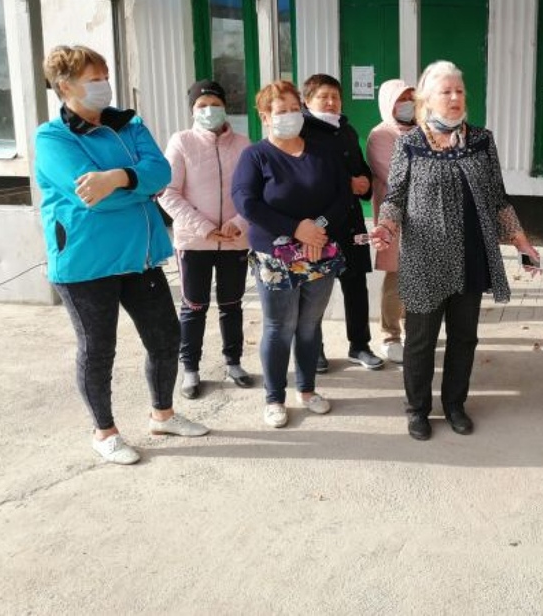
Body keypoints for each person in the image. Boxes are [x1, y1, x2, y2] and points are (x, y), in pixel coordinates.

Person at [35, 45, 208, 465]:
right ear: (65, 86)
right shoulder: (52, 138)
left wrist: (117, 177)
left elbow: (161, 173)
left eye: (105, 76)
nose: (104, 85)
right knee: (98, 348)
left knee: (166, 337)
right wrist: (138, 188)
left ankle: (163, 414)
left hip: (139, 254)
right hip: (85, 262)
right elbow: (90, 198)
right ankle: (105, 432)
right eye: (93, 79)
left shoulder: (128, 124)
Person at [373, 60, 539, 441]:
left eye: (459, 91)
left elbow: (498, 198)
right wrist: (385, 227)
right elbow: (395, 197)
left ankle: (454, 405)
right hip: (424, 258)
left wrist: (521, 241)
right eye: (445, 91)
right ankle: (417, 410)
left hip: (471, 255)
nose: (454, 97)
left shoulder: (481, 140)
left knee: (464, 337)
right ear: (427, 99)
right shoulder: (410, 144)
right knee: (420, 340)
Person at [232, 80, 352, 429]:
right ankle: (274, 398)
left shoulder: (322, 151)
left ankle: (307, 389)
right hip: (275, 256)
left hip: (320, 250)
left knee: (310, 325)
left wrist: (318, 228)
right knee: (279, 327)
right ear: (265, 117)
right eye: (280, 110)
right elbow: (246, 201)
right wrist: (296, 228)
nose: (289, 115)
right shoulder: (255, 156)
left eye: (293, 109)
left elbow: (343, 196)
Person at [159, 79, 253, 399]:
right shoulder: (182, 142)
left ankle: (234, 362)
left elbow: (254, 191)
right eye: (202, 105)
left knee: (232, 305)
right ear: (192, 110)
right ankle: (190, 369)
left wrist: (238, 223)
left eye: (215, 104)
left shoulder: (243, 144)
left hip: (233, 240)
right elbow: (168, 193)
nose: (209, 110)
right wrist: (203, 227)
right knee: (194, 306)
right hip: (194, 242)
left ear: (225, 107)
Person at [301, 74, 383, 371]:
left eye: (335, 97)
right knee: (314, 289)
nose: (331, 102)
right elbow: (304, 175)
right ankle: (314, 349)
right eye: (323, 97)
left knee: (356, 284)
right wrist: (345, 184)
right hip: (319, 224)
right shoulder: (302, 131)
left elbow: (359, 166)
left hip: (352, 222)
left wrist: (365, 182)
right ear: (307, 100)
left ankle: (359, 345)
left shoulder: (346, 130)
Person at [366, 79, 416, 364]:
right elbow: (395, 175)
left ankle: (414, 330)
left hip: (425, 218)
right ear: (389, 103)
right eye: (401, 99)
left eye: (411, 98)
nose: (409, 104)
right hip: (394, 218)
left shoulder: (425, 130)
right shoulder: (381, 135)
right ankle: (390, 335)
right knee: (397, 276)